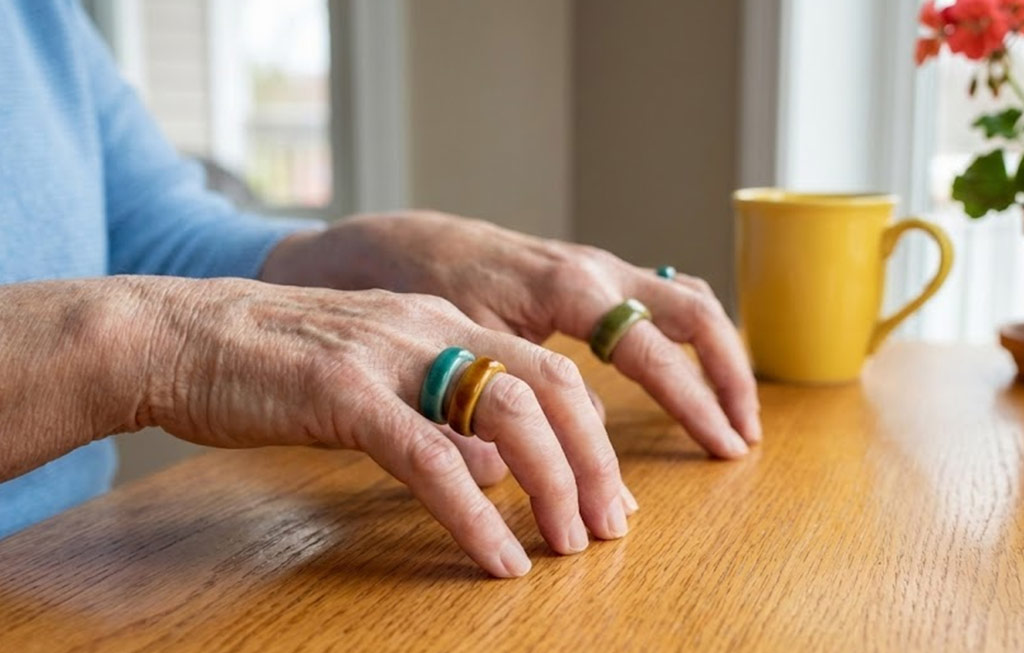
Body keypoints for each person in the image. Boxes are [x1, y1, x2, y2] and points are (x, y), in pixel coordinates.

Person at [0, 0, 761, 578]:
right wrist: (150, 340)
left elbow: (152, 230)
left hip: (72, 574)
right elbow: (147, 310)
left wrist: (341, 255)